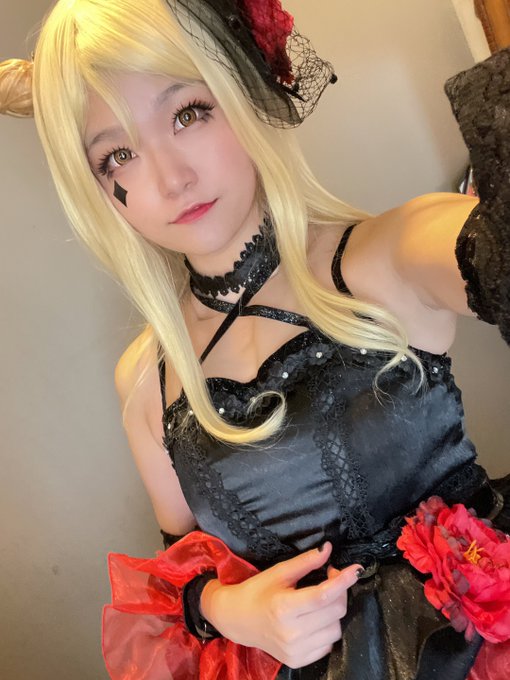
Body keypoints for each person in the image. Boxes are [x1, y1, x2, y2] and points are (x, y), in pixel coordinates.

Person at [1, 0, 509, 677]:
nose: (170, 179)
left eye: (188, 114)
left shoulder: (386, 257)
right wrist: (225, 608)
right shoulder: (148, 380)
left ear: (241, 89)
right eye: (118, 155)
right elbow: (180, 566)